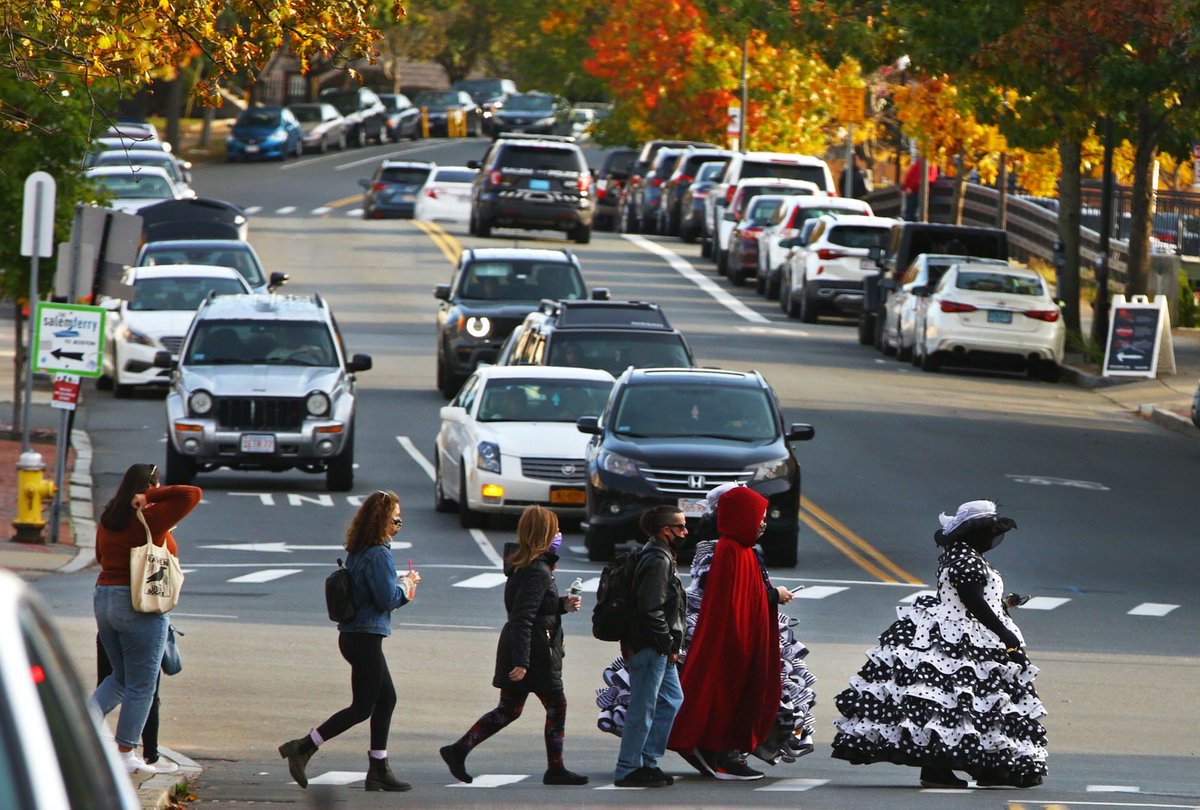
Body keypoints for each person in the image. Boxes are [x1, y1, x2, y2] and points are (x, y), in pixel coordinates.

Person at [830, 500, 1048, 788]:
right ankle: (940, 769)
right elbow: (974, 603)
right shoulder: (966, 559)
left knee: (976, 703)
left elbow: (975, 600)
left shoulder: (961, 554)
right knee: (958, 703)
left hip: (963, 631)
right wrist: (1006, 637)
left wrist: (1005, 605)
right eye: (990, 532)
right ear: (976, 533)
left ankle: (983, 766)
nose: (995, 538)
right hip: (961, 638)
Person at [278, 490, 421, 792]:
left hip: (354, 635)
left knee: (386, 699)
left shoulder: (359, 549)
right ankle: (303, 747)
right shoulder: (380, 553)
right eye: (397, 519)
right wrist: (407, 586)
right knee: (362, 707)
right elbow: (386, 599)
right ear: (384, 520)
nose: (398, 525)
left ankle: (378, 768)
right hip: (365, 636)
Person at [439, 505, 588, 786]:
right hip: (534, 650)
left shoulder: (526, 565)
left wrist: (561, 605)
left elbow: (532, 607)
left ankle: (458, 750)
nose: (559, 534)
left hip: (524, 645)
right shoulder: (538, 570)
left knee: (510, 709)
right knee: (556, 706)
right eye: (555, 529)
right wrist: (522, 662)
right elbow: (522, 617)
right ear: (544, 534)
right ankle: (555, 769)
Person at [676, 483, 816, 778]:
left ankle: (726, 750)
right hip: (732, 642)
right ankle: (721, 752)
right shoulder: (728, 551)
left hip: (744, 638)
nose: (763, 523)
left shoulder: (743, 551)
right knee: (727, 696)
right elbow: (733, 600)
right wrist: (774, 596)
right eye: (758, 517)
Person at [91, 463, 201, 774]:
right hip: (139, 603)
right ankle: (125, 753)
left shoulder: (109, 519)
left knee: (120, 678)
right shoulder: (150, 517)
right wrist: (151, 496)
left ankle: (83, 724)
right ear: (147, 487)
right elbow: (192, 493)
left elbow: (101, 557)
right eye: (155, 485)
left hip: (104, 599)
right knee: (142, 685)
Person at [613, 505, 687, 788]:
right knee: (642, 709)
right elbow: (650, 608)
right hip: (650, 646)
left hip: (657, 647)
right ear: (665, 530)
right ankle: (628, 769)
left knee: (671, 700)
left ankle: (647, 761)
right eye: (680, 527)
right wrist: (667, 642)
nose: (685, 532)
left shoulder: (661, 554)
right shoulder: (658, 559)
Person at [96, 637, 175, 773]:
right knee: (143, 689)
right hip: (142, 627)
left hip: (109, 624)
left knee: (108, 684)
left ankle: (78, 736)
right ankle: (147, 755)